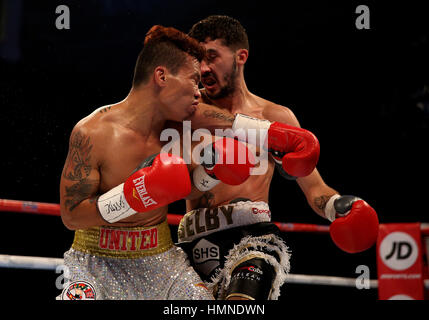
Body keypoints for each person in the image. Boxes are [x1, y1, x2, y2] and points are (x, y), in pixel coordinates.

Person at [176, 15, 379, 300]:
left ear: (240, 56)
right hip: (190, 242)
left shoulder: (275, 118)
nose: (204, 68)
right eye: (199, 59)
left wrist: (336, 206)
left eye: (212, 57)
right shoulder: (185, 113)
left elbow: (314, 188)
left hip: (251, 238)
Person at [58, 25, 254, 300]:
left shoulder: (180, 130)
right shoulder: (92, 132)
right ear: (161, 76)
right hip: (95, 263)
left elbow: (187, 189)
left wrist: (211, 172)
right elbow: (71, 216)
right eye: (192, 80)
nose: (199, 91)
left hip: (162, 264)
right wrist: (131, 197)